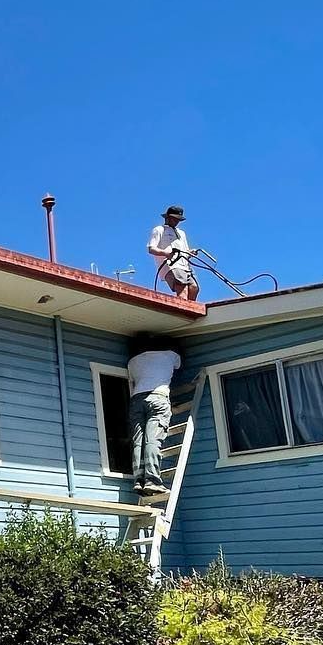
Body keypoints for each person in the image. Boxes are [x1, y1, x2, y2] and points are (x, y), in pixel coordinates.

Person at [127, 335, 182, 496]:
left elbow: (133, 380)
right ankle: (152, 480)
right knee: (152, 440)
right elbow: (178, 365)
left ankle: (139, 480)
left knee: (138, 442)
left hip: (137, 399)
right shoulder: (170, 355)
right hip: (158, 397)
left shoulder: (132, 362)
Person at [147, 205, 199, 300]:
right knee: (182, 287)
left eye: (178, 219)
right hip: (170, 265)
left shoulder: (181, 233)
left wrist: (190, 253)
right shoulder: (159, 230)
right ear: (167, 217)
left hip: (185, 265)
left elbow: (185, 251)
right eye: (174, 219)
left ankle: (189, 307)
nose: (177, 221)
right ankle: (182, 307)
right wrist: (166, 253)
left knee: (194, 288)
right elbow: (151, 249)